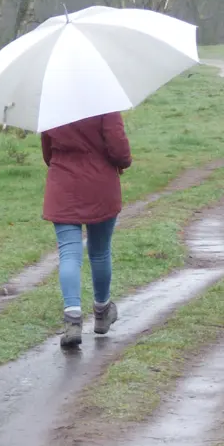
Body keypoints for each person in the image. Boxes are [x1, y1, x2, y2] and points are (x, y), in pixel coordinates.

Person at [41, 112, 132, 349]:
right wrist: (121, 163)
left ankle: (72, 320)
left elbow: (47, 152)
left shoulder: (54, 102)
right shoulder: (104, 101)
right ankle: (102, 312)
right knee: (100, 251)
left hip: (63, 187)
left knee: (69, 254)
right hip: (99, 185)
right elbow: (119, 151)